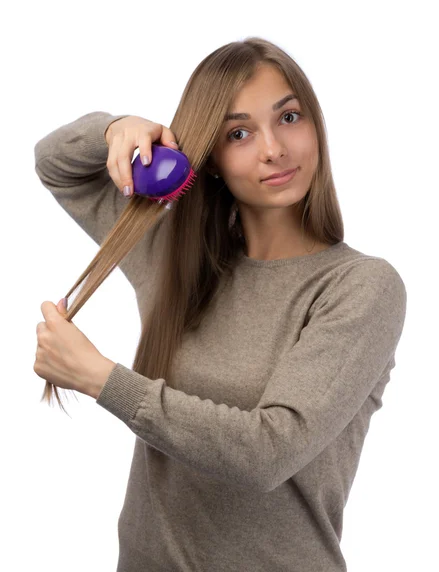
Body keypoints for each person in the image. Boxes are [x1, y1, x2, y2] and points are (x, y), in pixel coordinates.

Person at [34, 37, 407, 572]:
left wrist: (100, 379)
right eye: (239, 133)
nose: (274, 148)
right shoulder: (172, 257)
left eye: (290, 117)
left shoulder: (360, 287)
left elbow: (269, 452)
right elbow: (55, 163)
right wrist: (117, 130)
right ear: (206, 159)